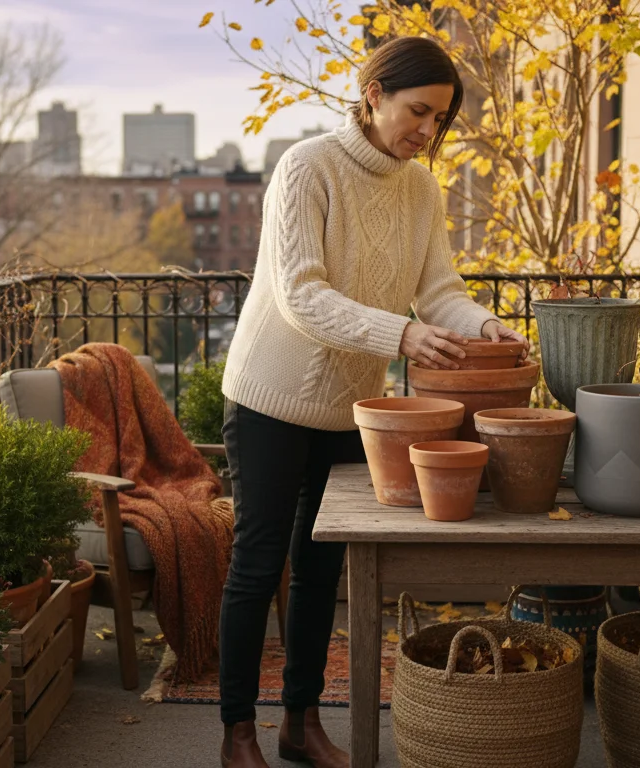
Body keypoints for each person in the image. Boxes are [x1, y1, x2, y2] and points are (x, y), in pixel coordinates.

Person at [216, 35, 528, 768]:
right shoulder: (306, 168)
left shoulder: (421, 189)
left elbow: (439, 291)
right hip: (268, 397)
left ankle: (299, 723)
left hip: (352, 407)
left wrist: (482, 323)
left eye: (440, 120)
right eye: (418, 111)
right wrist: (402, 335)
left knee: (326, 570)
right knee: (258, 565)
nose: (428, 132)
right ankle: (236, 732)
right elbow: (302, 296)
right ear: (373, 93)